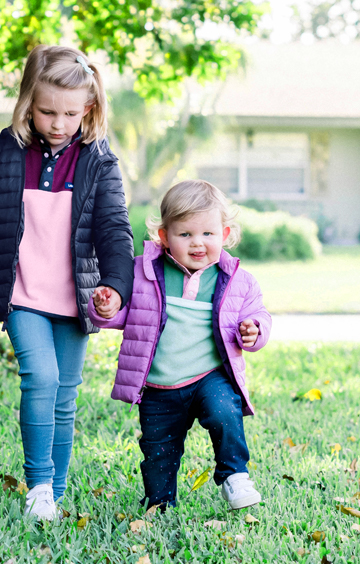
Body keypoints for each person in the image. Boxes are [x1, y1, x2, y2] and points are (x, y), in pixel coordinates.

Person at [0, 44, 132, 521]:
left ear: (88, 108)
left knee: (66, 394)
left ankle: (56, 493)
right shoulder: (1, 158)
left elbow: (114, 229)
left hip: (76, 299)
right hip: (21, 295)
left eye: (70, 112)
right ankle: (38, 485)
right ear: (27, 103)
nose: (59, 122)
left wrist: (115, 286)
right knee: (41, 379)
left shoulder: (100, 163)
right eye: (47, 111)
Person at [90, 179, 271, 511]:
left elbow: (257, 314)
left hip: (209, 376)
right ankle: (160, 503)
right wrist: (104, 307)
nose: (197, 243)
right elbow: (120, 315)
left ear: (225, 234)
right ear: (164, 237)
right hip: (159, 385)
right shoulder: (144, 273)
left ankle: (234, 476)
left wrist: (254, 330)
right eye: (185, 235)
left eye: (207, 234)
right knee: (158, 450)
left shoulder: (238, 280)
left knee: (224, 412)